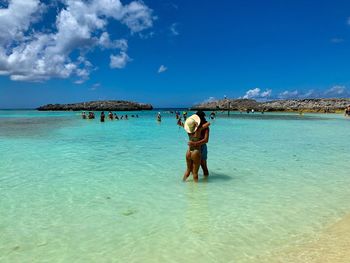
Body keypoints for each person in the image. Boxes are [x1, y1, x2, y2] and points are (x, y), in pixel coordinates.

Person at [183, 114, 210, 182]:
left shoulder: (188, 131)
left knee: (188, 171)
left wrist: (182, 124)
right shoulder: (199, 129)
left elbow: (185, 126)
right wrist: (198, 124)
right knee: (195, 173)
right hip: (196, 151)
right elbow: (209, 123)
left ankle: (182, 182)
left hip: (188, 152)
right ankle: (196, 190)